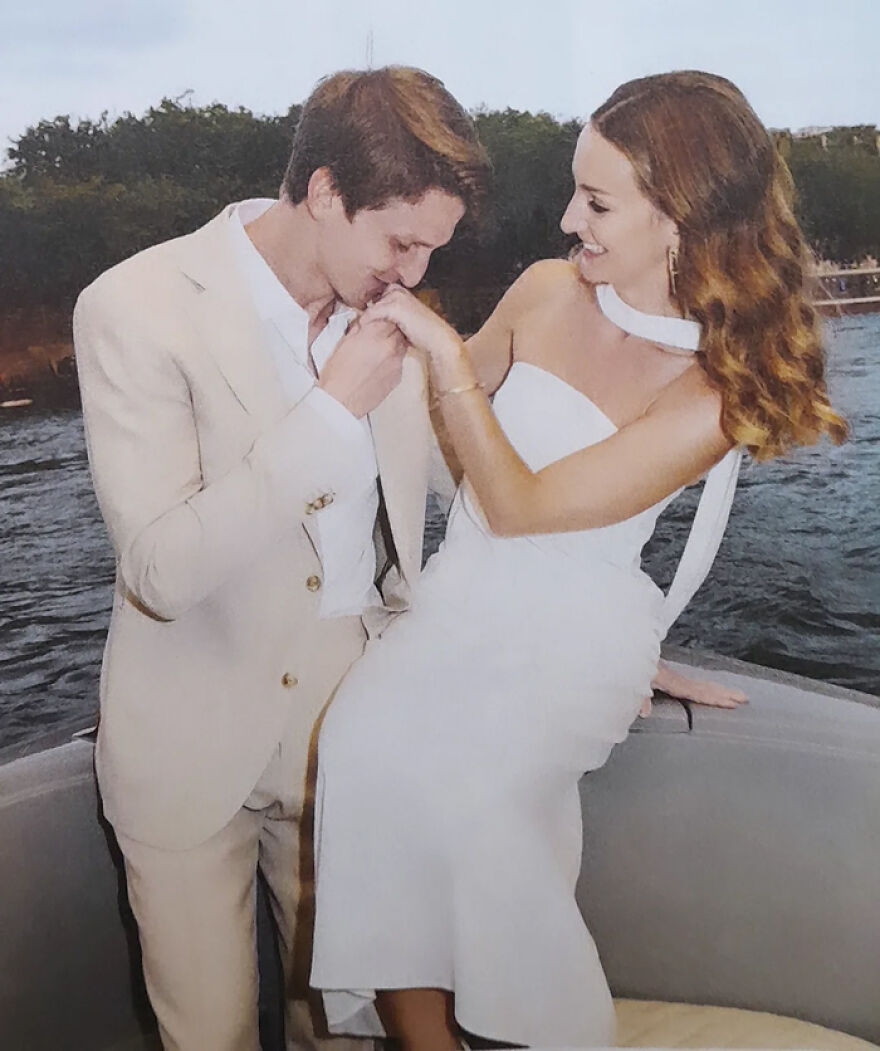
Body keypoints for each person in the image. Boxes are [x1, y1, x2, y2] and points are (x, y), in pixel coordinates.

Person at [309, 71, 847, 1051]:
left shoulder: (713, 390)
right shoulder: (547, 289)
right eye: (574, 188)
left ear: (676, 217)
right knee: (359, 754)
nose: (568, 218)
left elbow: (520, 506)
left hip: (577, 625)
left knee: (468, 791)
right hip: (462, 593)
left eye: (596, 200)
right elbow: (448, 445)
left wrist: (444, 357)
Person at [73, 66, 491, 1051]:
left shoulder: (392, 317)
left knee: (345, 1034)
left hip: (352, 744)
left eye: (433, 247)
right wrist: (333, 408)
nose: (416, 273)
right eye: (402, 241)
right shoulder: (130, 308)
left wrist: (598, 629)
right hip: (187, 748)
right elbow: (161, 570)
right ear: (323, 192)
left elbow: (484, 498)